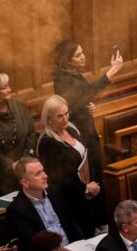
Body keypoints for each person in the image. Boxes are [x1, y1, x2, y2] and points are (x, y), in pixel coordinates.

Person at [36, 95, 103, 232]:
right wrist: (84, 188)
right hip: (70, 200)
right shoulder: (47, 142)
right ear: (49, 119)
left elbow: (86, 155)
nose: (65, 119)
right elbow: (57, 177)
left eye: (66, 114)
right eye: (59, 116)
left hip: (89, 194)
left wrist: (93, 183)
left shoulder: (71, 128)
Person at [52, 39, 123, 164]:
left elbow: (79, 98)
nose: (83, 57)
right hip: (78, 132)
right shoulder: (64, 79)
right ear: (68, 60)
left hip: (85, 129)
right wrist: (112, 70)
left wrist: (85, 106)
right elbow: (88, 91)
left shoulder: (72, 74)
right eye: (78, 55)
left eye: (82, 52)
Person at [3, 157, 84, 248]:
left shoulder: (56, 192)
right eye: (38, 174)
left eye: (43, 171)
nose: (45, 176)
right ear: (25, 182)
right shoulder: (16, 210)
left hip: (73, 248)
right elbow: (31, 243)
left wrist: (82, 243)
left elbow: (72, 222)